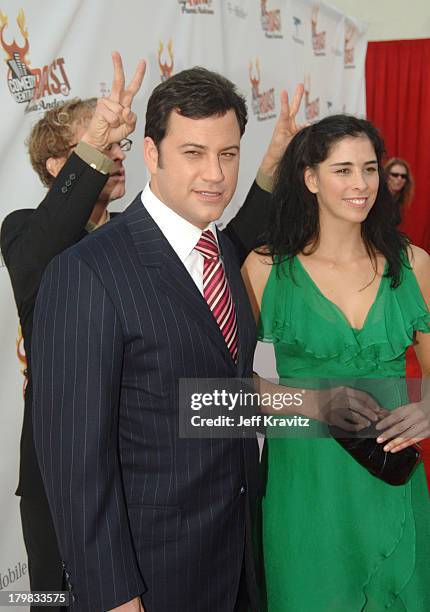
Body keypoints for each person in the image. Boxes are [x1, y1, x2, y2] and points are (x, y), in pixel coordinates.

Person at [1, 50, 304, 606]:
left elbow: (207, 398)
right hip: (147, 575)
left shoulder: (214, 256)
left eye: (229, 154)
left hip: (235, 561)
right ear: (151, 153)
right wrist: (113, 595)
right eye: (193, 153)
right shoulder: (82, 268)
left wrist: (338, 410)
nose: (215, 173)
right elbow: (78, 462)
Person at [242, 115, 430, 611]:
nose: (362, 184)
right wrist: (314, 401)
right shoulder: (265, 269)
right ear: (310, 178)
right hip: (306, 486)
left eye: (369, 169)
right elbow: (231, 387)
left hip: (390, 482)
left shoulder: (413, 264)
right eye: (343, 170)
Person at [0, 52, 146, 611]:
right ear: (58, 165)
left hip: (139, 457)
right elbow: (47, 247)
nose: (115, 157)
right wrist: (98, 142)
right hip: (56, 474)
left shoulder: (141, 234)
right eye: (99, 146)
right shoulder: (22, 231)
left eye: (118, 146)